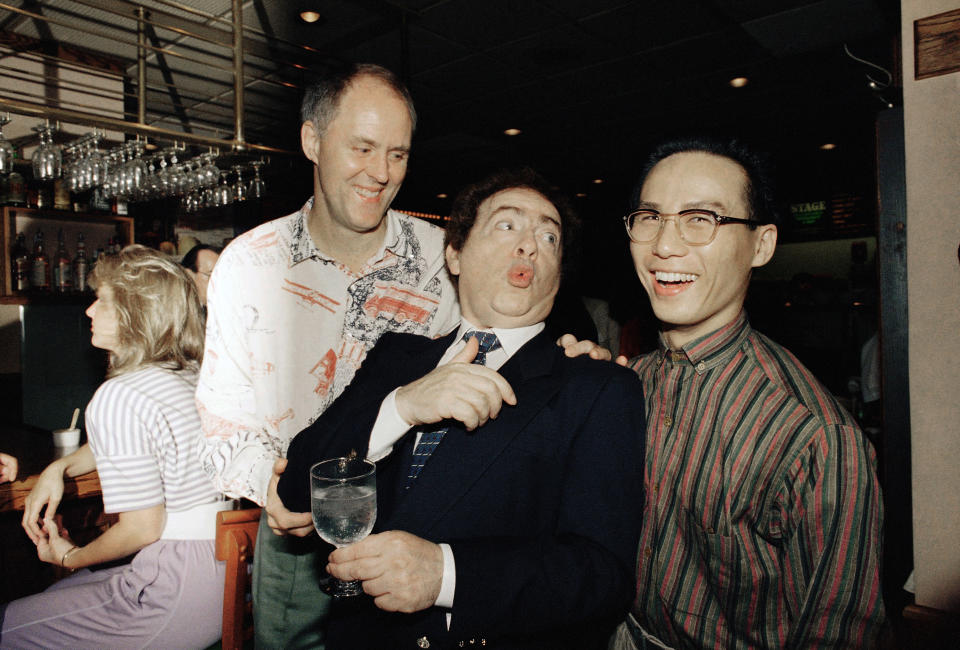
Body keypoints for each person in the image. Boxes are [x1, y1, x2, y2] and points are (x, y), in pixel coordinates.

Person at [278, 168, 647, 649]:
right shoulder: (398, 358)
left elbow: (601, 574)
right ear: (454, 253)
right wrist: (402, 407)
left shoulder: (595, 386)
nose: (530, 245)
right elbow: (296, 486)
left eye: (549, 235)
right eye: (507, 225)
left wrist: (447, 575)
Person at [195, 63, 461, 649]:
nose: (382, 173)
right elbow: (221, 417)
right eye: (362, 148)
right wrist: (265, 486)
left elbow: (496, 353)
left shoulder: (445, 260)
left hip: (410, 534)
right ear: (312, 141)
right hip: (295, 546)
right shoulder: (249, 265)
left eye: (398, 154)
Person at [612, 136, 886, 649]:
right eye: (650, 217)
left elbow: (839, 634)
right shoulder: (629, 384)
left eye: (701, 219)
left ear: (761, 245)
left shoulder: (816, 437)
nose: (665, 245)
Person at [0, 245, 227, 649]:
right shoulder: (188, 375)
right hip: (222, 571)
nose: (88, 311)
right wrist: (60, 468)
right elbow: (139, 443)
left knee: (9, 626)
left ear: (133, 314)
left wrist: (70, 558)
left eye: (101, 300)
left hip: (173, 587)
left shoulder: (120, 394)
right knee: (54, 599)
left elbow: (142, 528)